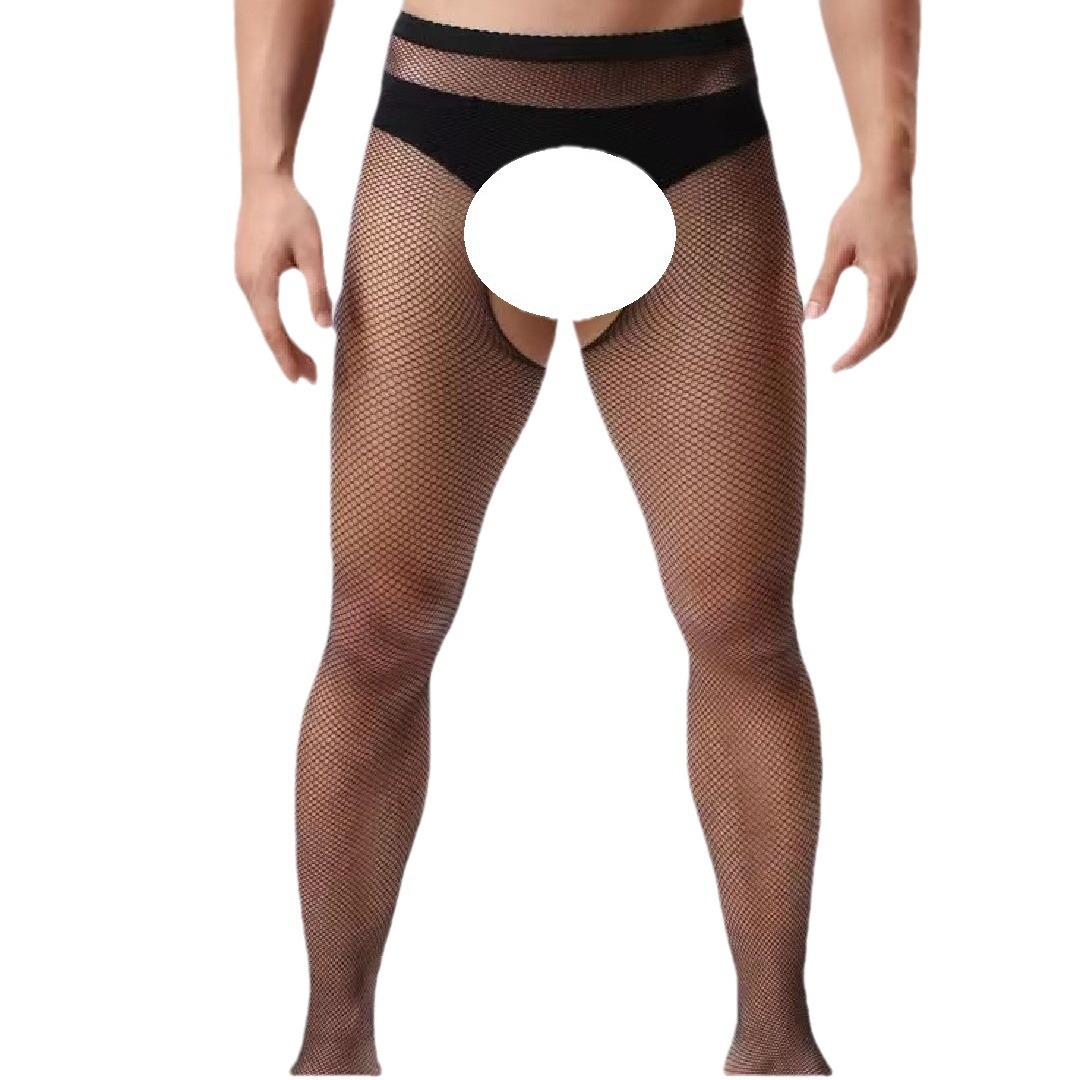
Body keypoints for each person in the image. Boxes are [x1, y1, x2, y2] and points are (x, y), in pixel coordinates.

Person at [233, 0, 919, 1074]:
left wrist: (887, 170)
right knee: (377, 629)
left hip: (695, 121)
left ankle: (778, 1049)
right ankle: (333, 1049)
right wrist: (264, 169)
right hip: (447, 119)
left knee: (742, 623)